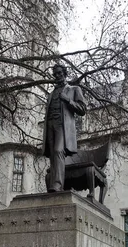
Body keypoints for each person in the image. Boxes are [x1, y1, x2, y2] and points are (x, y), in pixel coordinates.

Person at [42, 64, 87, 192]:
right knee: (52, 154)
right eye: (55, 74)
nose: (57, 76)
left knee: (58, 151)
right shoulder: (51, 94)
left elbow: (82, 109)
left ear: (65, 73)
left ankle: (57, 185)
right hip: (50, 124)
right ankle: (53, 185)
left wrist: (68, 100)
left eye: (59, 73)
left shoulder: (74, 89)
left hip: (62, 125)